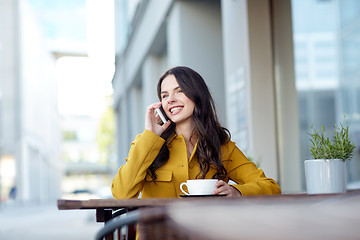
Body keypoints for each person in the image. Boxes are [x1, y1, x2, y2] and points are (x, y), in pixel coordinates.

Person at [112, 66, 281, 199]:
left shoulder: (221, 146)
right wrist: (151, 136)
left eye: (179, 91)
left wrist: (236, 192)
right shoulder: (147, 143)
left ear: (197, 95)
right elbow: (121, 194)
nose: (170, 99)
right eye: (164, 95)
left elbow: (270, 187)